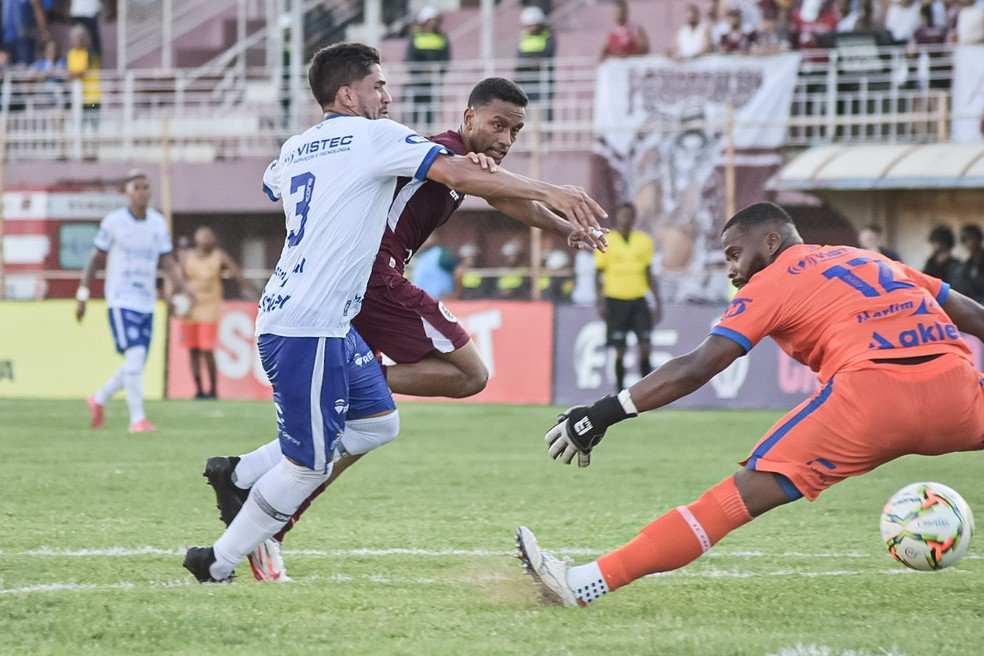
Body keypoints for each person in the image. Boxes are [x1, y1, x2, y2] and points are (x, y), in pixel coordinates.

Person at [182, 43, 607, 584]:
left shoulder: (304, 146)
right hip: (371, 278)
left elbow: (498, 196)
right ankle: (246, 536)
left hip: (325, 291)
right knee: (468, 375)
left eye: (515, 132)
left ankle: (249, 484)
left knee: (373, 425)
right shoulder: (403, 143)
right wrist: (553, 191)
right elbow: (468, 181)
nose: (505, 140)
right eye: (498, 125)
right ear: (468, 116)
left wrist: (560, 224)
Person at [516, 201, 984, 607]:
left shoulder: (773, 280)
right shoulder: (871, 258)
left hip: (868, 400)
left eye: (735, 254)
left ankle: (583, 583)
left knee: (732, 501)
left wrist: (601, 413)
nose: (732, 270)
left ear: (772, 241)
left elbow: (698, 366)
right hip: (957, 389)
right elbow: (963, 309)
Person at [75, 170, 193, 433]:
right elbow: (96, 260)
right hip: (120, 297)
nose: (142, 192)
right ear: (127, 192)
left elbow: (168, 261)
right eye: (136, 187)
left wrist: (183, 289)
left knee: (135, 363)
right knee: (136, 356)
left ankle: (99, 398)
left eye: (145, 187)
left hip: (146, 299)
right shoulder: (113, 222)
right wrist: (82, 294)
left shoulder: (157, 223)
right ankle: (137, 419)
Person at [179, 225, 260, 399]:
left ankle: (213, 389)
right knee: (192, 350)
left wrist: (258, 291)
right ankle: (199, 390)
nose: (206, 238)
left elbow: (237, 275)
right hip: (190, 307)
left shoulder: (218, 256)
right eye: (203, 235)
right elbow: (178, 278)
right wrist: (173, 297)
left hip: (209, 307)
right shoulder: (186, 256)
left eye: (209, 235)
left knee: (207, 349)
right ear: (196, 238)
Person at [595, 202, 662, 392]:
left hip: (639, 299)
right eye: (623, 215)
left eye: (630, 216)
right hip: (615, 299)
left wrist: (657, 301)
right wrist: (600, 301)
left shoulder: (643, 241)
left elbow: (649, 272)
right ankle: (619, 392)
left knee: (645, 346)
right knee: (619, 350)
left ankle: (647, 391)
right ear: (617, 217)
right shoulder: (607, 240)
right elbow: (597, 274)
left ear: (634, 218)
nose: (626, 219)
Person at [405, 5, 450, 130]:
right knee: (415, 107)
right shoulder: (415, 37)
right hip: (418, 80)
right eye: (430, 20)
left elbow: (446, 59)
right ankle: (413, 130)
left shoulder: (442, 38)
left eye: (434, 20)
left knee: (432, 108)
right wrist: (420, 71)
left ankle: (430, 132)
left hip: (434, 81)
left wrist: (435, 71)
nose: (432, 24)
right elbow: (410, 58)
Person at [516, 6, 556, 123]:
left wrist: (537, 61)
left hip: (542, 79)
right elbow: (519, 57)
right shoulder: (524, 36)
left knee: (544, 107)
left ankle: (546, 135)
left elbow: (549, 52)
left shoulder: (548, 35)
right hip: (526, 79)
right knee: (525, 108)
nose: (529, 28)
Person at [954, 224, 984, 303]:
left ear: (979, 239)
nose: (969, 243)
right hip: (971, 302)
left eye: (972, 239)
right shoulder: (967, 263)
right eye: (965, 240)